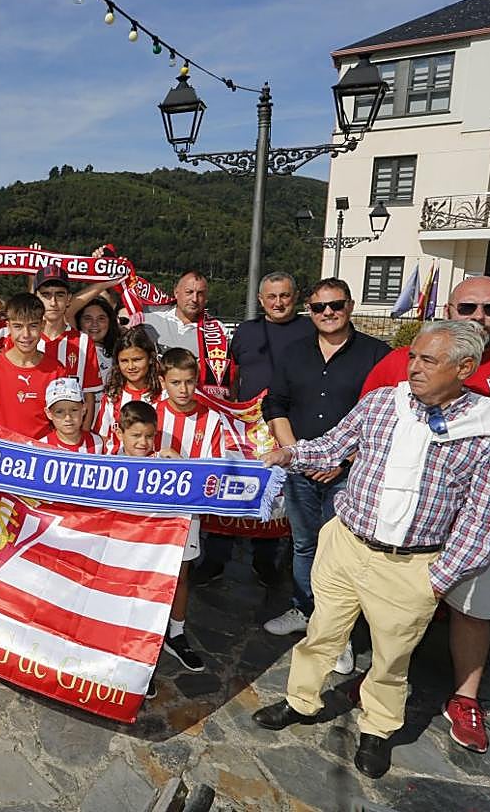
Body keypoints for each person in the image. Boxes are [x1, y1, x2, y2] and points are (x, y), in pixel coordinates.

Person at [252, 320, 490, 779]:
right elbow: (335, 446)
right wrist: (289, 455)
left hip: (410, 565)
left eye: (428, 360)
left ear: (465, 368)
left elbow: (486, 521)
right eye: (413, 356)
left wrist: (434, 580)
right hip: (346, 545)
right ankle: (301, 700)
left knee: (392, 658)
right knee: (322, 632)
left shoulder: (488, 434)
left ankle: (377, 729)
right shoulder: (382, 402)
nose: (413, 367)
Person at [361, 276, 490, 754]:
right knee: (391, 606)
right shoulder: (412, 358)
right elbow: (367, 415)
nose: (480, 317)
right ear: (449, 307)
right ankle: (381, 687)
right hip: (405, 521)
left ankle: (465, 697)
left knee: (473, 612)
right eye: (468, 307)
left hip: (482, 526)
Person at [260, 278, 390, 678]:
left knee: (341, 555)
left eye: (335, 305)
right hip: (302, 468)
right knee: (303, 546)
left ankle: (339, 635)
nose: (328, 313)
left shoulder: (376, 355)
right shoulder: (293, 353)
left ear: (349, 305)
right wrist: (298, 454)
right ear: (310, 312)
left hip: (349, 473)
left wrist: (343, 457)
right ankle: (306, 608)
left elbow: (385, 417)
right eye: (319, 308)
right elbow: (275, 404)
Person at [196, 272, 314, 589]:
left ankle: (267, 562)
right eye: (271, 297)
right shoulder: (245, 332)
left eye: (284, 296)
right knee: (231, 490)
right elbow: (230, 377)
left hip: (289, 425)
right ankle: (216, 559)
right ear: (261, 301)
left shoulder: (311, 329)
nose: (278, 302)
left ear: (296, 297)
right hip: (244, 428)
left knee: (276, 494)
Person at [154, 347, 241, 675]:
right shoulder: (151, 411)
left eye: (189, 382)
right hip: (152, 510)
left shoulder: (212, 418)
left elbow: (222, 467)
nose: (183, 389)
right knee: (150, 571)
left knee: (182, 572)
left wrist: (184, 464)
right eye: (175, 382)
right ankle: (148, 631)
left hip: (187, 512)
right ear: (163, 381)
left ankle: (176, 633)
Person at [113, 398, 163, 700]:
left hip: (146, 562)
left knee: (142, 618)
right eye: (135, 436)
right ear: (120, 433)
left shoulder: (164, 468)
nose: (143, 443)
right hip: (115, 557)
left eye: (149, 436)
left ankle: (141, 673)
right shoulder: (104, 462)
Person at [0, 293, 69, 438]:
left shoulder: (56, 370)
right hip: (3, 453)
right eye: (18, 326)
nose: (26, 334)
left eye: (33, 326)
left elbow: (63, 423)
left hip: (43, 453)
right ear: (8, 327)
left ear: (42, 326)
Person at [131, 270, 235, 398]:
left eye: (200, 294)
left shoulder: (218, 332)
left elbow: (230, 379)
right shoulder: (148, 317)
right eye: (189, 292)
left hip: (191, 408)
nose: (194, 299)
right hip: (148, 402)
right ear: (176, 292)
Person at [32, 265, 103, 426]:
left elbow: (89, 397)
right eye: (46, 295)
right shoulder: (24, 340)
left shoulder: (83, 342)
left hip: (69, 438)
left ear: (69, 299)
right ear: (36, 297)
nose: (53, 302)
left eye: (60, 295)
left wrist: (83, 440)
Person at [93, 325, 161, 454]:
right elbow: (102, 436)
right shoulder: (112, 396)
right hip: (116, 466)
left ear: (150, 359)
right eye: (124, 361)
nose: (131, 366)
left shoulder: (162, 395)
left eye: (137, 360)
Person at [41, 377, 104, 453]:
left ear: (83, 409)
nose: (68, 418)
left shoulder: (98, 443)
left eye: (74, 410)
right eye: (59, 412)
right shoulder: (41, 447)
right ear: (49, 413)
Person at [76, 296, 121, 384]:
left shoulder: (120, 352)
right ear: (79, 322)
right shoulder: (72, 351)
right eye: (88, 319)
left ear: (110, 322)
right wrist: (104, 284)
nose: (94, 324)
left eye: (101, 319)